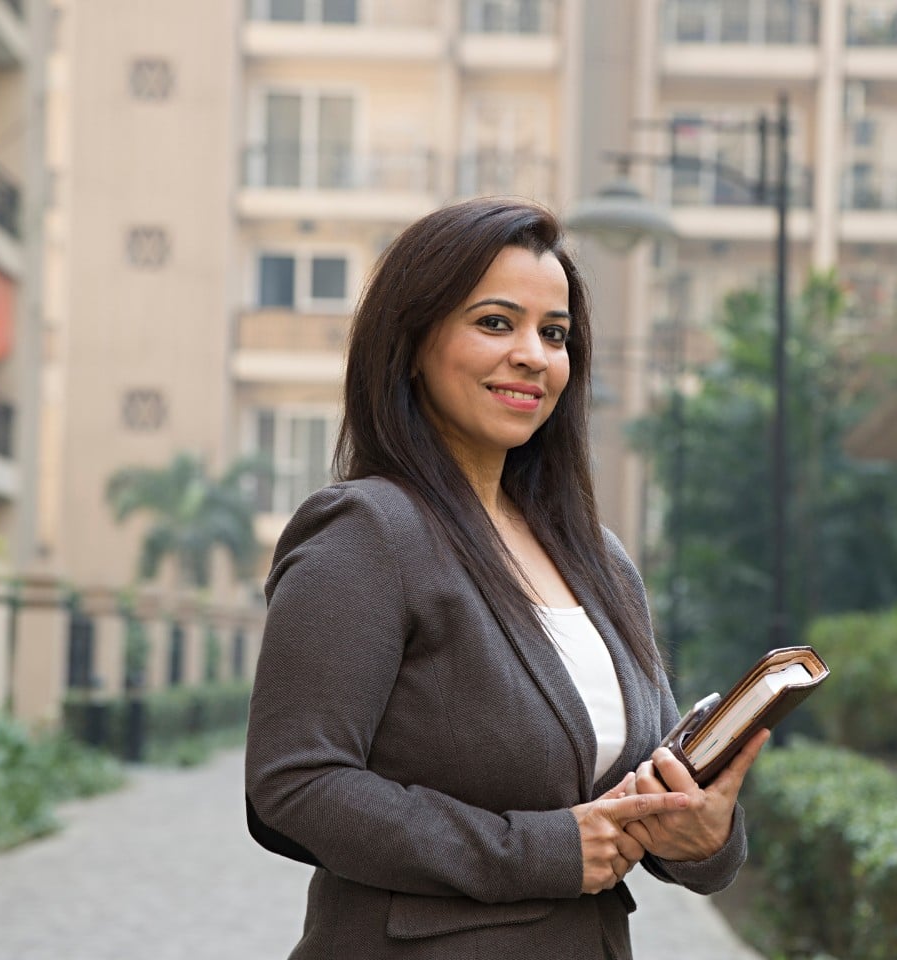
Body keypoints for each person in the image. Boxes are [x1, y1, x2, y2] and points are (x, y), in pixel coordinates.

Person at [244, 197, 769, 960]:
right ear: (412, 343)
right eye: (496, 322)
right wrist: (540, 850)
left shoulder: (601, 560)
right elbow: (294, 786)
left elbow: (638, 800)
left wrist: (701, 832)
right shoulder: (369, 533)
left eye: (554, 334)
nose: (533, 354)